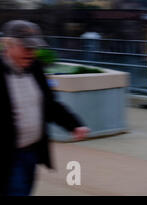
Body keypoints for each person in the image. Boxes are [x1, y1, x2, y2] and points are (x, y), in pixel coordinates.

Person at [0, 20, 90, 196]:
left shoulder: (35, 68)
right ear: (8, 44)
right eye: (26, 48)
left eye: (34, 48)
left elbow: (49, 105)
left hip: (31, 153)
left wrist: (73, 124)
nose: (31, 53)